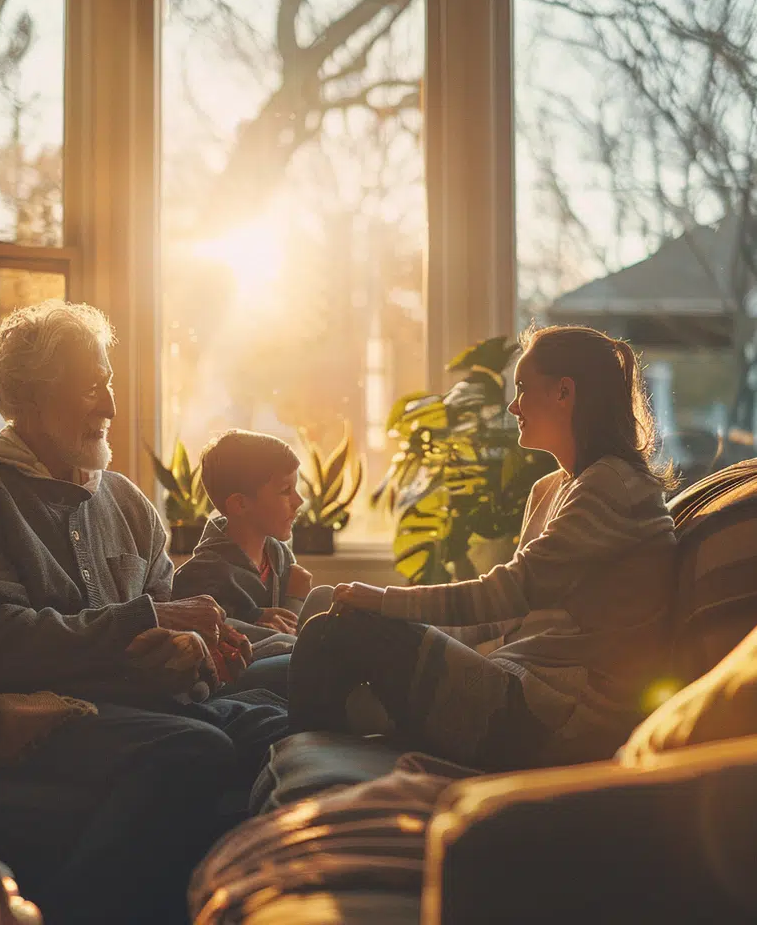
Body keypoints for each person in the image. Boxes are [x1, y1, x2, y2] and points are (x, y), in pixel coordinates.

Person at [0, 300, 288, 925]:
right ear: (24, 397)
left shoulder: (128, 501)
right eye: (90, 388)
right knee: (192, 748)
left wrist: (194, 654)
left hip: (122, 698)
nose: (110, 406)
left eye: (107, 384)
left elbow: (166, 619)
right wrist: (148, 625)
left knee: (277, 723)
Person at [289, 325, 679, 771]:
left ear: (563, 393)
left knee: (335, 630)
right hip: (516, 685)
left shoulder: (613, 487)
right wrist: (400, 622)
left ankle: (302, 776)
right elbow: (503, 614)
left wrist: (385, 603)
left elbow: (510, 590)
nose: (513, 406)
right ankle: (310, 749)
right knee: (326, 600)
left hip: (551, 718)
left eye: (522, 389)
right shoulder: (553, 488)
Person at [173, 429, 326, 635]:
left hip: (284, 659)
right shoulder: (201, 577)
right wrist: (295, 599)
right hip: (246, 665)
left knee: (327, 597)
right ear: (241, 504)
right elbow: (274, 641)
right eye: (285, 491)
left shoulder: (279, 556)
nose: (299, 501)